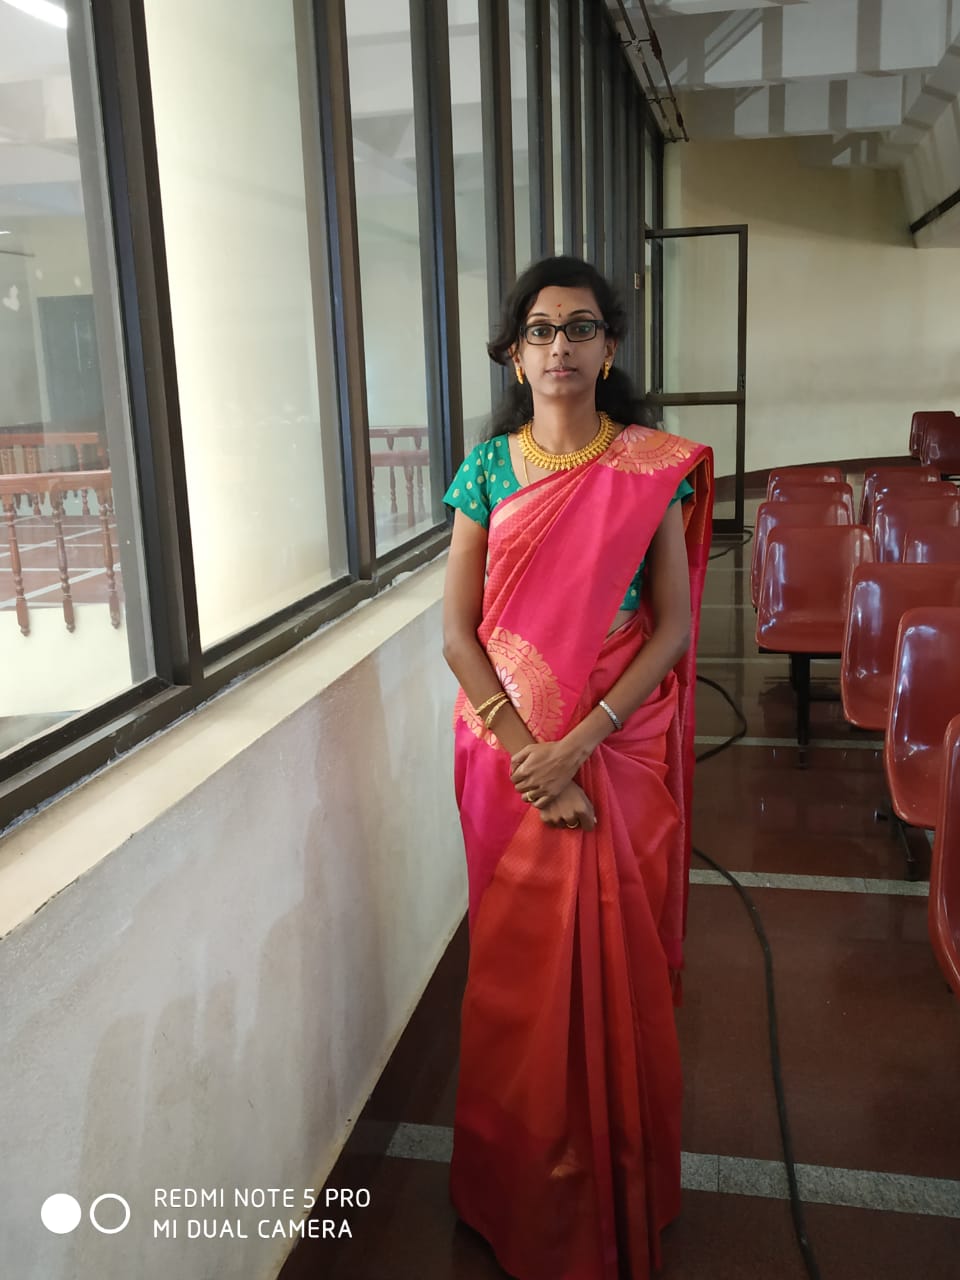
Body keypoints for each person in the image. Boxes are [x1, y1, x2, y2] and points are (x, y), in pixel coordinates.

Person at [441, 255, 713, 1280]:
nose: (560, 345)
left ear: (610, 347)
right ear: (515, 354)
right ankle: (516, 1184)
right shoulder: (486, 471)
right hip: (508, 761)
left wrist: (580, 743)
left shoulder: (650, 470)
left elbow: (672, 628)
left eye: (581, 326)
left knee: (618, 966)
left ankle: (617, 1179)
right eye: (540, 329)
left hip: (615, 744)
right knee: (517, 974)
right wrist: (530, 759)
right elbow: (459, 635)